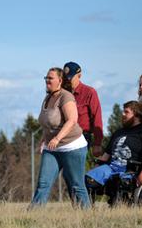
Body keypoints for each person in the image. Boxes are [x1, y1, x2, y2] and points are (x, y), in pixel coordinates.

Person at [30, 67, 90, 209]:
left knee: (76, 184)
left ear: (60, 80)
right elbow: (47, 124)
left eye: (50, 78)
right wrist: (43, 141)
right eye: (46, 78)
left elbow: (72, 120)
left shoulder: (66, 96)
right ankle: (32, 216)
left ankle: (87, 216)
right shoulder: (48, 98)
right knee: (43, 183)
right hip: (52, 148)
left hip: (72, 146)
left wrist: (57, 138)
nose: (47, 81)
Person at [86, 101, 142, 188]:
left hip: (130, 170)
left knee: (122, 183)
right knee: (89, 179)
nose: (123, 114)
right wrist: (95, 169)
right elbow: (106, 155)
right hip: (110, 168)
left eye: (126, 112)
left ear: (136, 115)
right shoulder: (118, 132)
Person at [63, 62, 104, 157]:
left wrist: (97, 143)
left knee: (73, 169)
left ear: (79, 75)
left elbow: (96, 118)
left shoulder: (89, 92)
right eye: (65, 78)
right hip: (63, 136)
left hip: (81, 137)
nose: (68, 81)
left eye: (70, 78)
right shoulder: (62, 94)